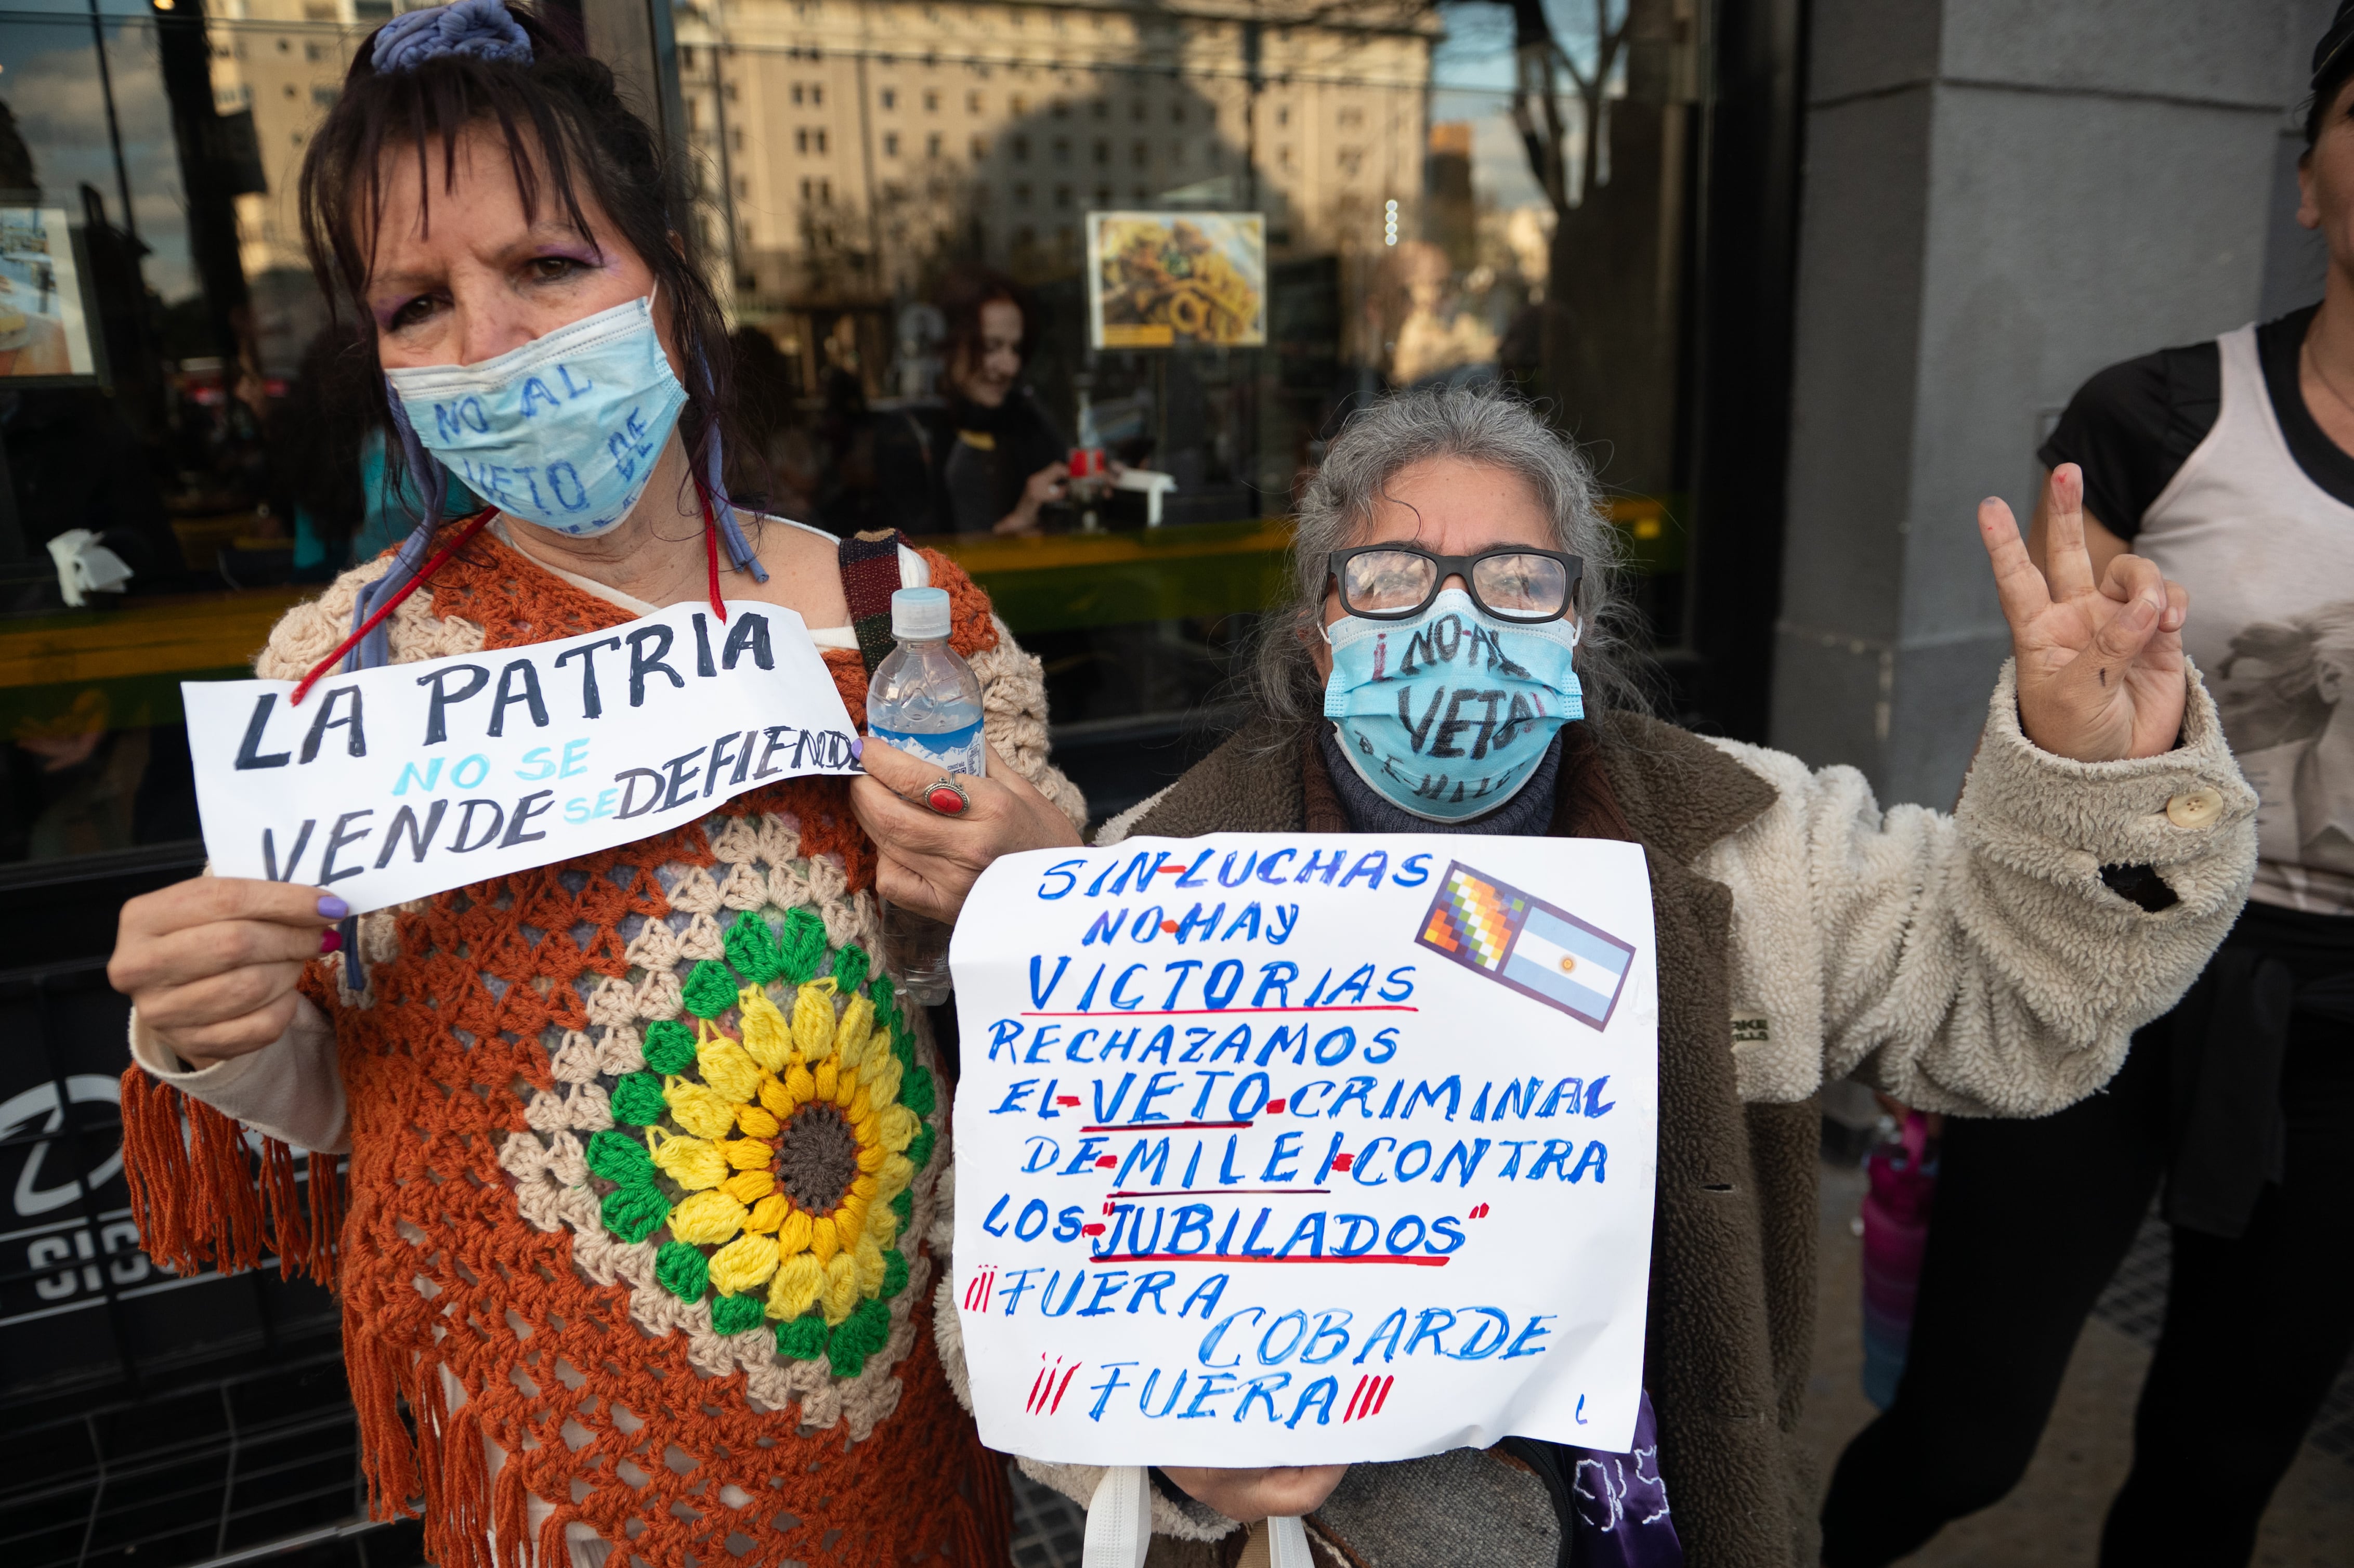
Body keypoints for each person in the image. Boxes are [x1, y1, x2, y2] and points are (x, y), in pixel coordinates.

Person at [930, 385, 2258, 1567]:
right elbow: (1004, 1294)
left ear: (1575, 617)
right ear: (1318, 624)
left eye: (1514, 579)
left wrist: (2091, 777)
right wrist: (1172, 1460)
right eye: (1390, 577)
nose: (1451, 624)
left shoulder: (1759, 845)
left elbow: (2007, 1007)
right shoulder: (1152, 878)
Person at [100, 5, 1086, 1564]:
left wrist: (1036, 890)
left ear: (668, 282)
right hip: (562, 1455)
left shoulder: (904, 611)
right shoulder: (349, 670)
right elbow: (358, 1106)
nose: (489, 343)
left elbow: (1025, 1032)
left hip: (891, 1381)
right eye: (418, 302)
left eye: (547, 266)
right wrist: (220, 1029)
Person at [1821, 10, 2354, 1564]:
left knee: (2218, 1465)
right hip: (2106, 974)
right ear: (2306, 181)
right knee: (1963, 1437)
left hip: (2344, 1040)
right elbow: (2078, 681)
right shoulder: (2157, 418)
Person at [875, 267, 1070, 537]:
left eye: (1016, 349)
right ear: (948, 345)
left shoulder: (1026, 422)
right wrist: (1007, 533)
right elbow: (912, 567)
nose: (1010, 366)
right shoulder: (911, 437)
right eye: (991, 347)